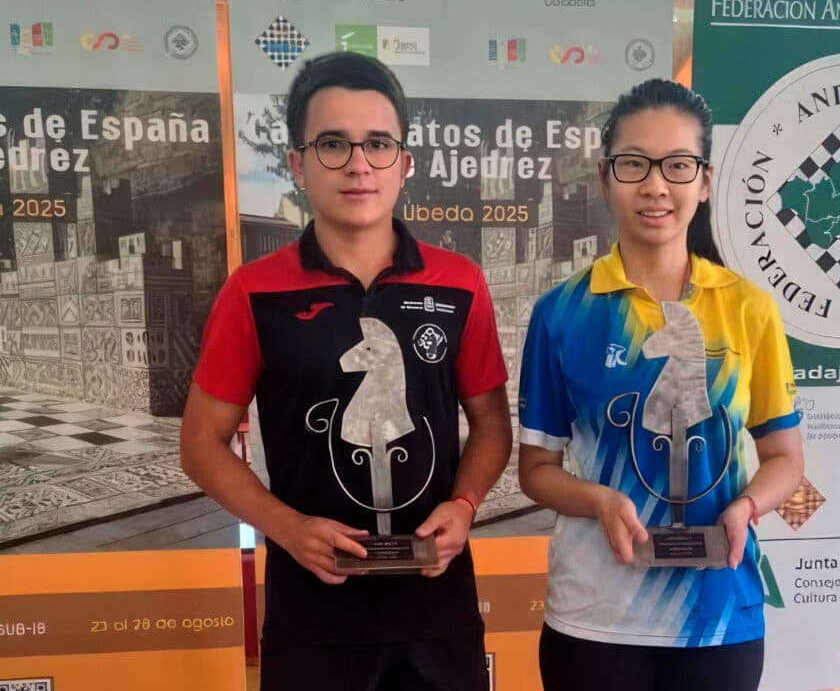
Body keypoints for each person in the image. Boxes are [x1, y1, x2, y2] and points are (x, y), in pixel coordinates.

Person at [181, 51, 512, 690]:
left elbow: (492, 427)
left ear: (405, 163)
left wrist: (466, 505)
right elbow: (200, 444)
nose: (359, 164)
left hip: (438, 613)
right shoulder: (253, 292)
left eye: (378, 144)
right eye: (333, 144)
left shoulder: (460, 283)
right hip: (313, 621)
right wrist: (287, 528)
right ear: (297, 164)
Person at [517, 79, 804, 691]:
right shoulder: (561, 312)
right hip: (593, 618)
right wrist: (600, 501)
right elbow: (537, 470)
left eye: (677, 165)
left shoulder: (748, 309)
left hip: (718, 614)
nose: (654, 185)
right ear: (604, 179)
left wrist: (747, 506)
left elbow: (784, 457)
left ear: (704, 181)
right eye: (633, 164)